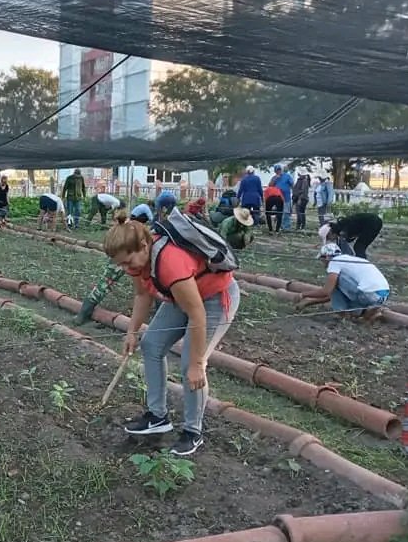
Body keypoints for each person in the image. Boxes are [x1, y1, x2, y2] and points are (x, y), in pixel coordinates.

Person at [104, 212, 240, 456]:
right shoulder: (137, 263)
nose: (125, 268)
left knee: (190, 364)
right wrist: (132, 332)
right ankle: (157, 417)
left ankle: (192, 431)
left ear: (144, 246)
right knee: (151, 344)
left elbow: (197, 314)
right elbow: (143, 294)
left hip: (214, 299)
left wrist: (197, 364)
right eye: (120, 264)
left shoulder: (169, 263)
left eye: (128, 262)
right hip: (182, 297)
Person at [73, 194, 177, 325]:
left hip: (134, 252)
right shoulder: (155, 217)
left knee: (152, 282)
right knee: (153, 281)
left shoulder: (157, 219)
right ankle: (85, 311)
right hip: (132, 251)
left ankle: (84, 312)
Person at [296, 243, 390, 323]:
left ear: (327, 256)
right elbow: (331, 295)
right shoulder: (352, 260)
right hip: (381, 295)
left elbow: (327, 291)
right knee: (354, 313)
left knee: (335, 282)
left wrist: (302, 295)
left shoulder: (335, 262)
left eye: (322, 259)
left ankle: (343, 314)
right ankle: (371, 313)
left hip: (367, 294)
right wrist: (309, 302)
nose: (323, 263)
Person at [270, 164, 294, 231]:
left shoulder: (287, 176)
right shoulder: (274, 177)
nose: (278, 171)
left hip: (286, 198)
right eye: (277, 170)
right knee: (279, 213)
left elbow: (292, 184)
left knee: (286, 213)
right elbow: (270, 185)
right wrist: (275, 179)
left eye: (279, 170)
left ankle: (286, 227)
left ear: (281, 170)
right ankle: (279, 226)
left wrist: (294, 193)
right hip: (278, 198)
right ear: (275, 171)